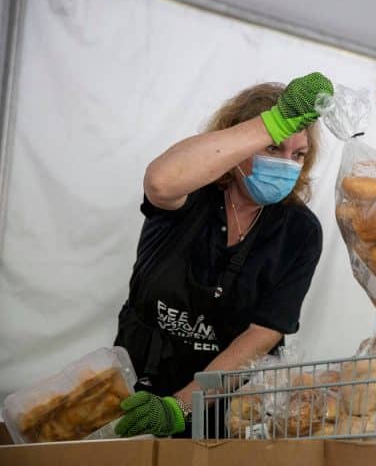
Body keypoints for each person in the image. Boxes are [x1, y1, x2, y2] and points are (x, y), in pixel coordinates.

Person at [113, 73, 333, 437]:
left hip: (229, 404)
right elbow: (160, 181)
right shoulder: (192, 193)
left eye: (299, 154)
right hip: (141, 376)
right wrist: (272, 122)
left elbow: (263, 333)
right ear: (237, 142)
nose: (287, 164)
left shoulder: (299, 230)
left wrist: (181, 406)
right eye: (273, 147)